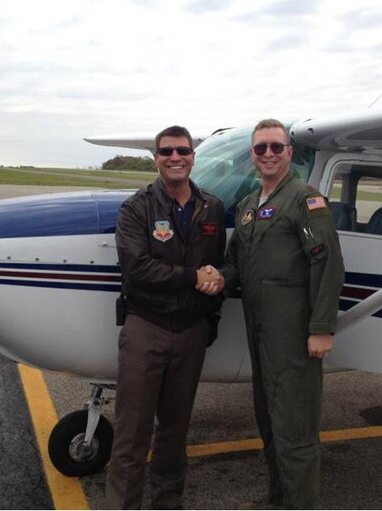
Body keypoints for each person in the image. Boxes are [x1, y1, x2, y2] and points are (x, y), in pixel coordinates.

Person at [221, 119, 345, 509]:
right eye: (261, 149)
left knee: (295, 429)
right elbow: (235, 265)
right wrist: (214, 277)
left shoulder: (306, 201)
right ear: (253, 156)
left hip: (293, 333)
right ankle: (279, 498)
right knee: (270, 423)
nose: (269, 154)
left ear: (289, 153)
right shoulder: (247, 207)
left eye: (277, 147)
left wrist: (321, 328)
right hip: (259, 332)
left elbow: (328, 265)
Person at [105, 125, 226, 509]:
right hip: (148, 328)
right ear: (155, 158)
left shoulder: (213, 207)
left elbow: (218, 266)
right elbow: (137, 268)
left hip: (191, 332)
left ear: (193, 156)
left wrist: (211, 316)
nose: (176, 158)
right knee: (131, 437)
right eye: (167, 151)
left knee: (174, 436)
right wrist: (193, 277)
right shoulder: (136, 208)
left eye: (183, 151)